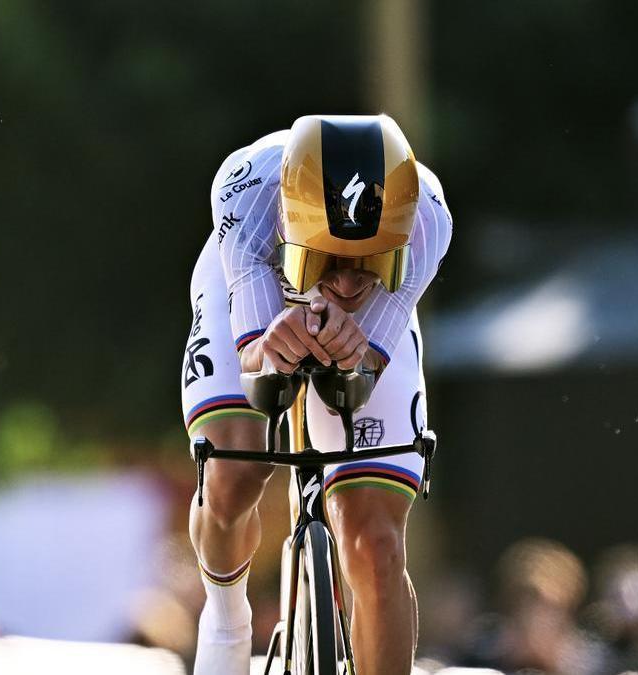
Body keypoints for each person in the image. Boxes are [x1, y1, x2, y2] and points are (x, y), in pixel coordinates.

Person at [180, 114, 452, 674]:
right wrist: (270, 342)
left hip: (373, 315)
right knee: (235, 470)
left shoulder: (427, 219)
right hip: (257, 281)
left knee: (375, 546)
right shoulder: (248, 193)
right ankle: (227, 622)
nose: (349, 284)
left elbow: (362, 373)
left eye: (369, 263)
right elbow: (255, 364)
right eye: (329, 259)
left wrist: (352, 350)